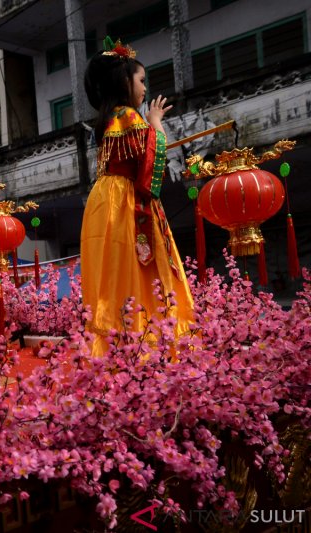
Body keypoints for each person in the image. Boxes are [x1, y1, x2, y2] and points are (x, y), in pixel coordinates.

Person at [81, 38, 193, 354]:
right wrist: (156, 123)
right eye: (141, 81)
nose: (145, 88)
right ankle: (147, 340)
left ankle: (115, 341)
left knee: (114, 271)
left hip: (106, 199)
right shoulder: (130, 117)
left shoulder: (107, 120)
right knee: (139, 269)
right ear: (123, 81)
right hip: (126, 200)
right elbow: (149, 171)